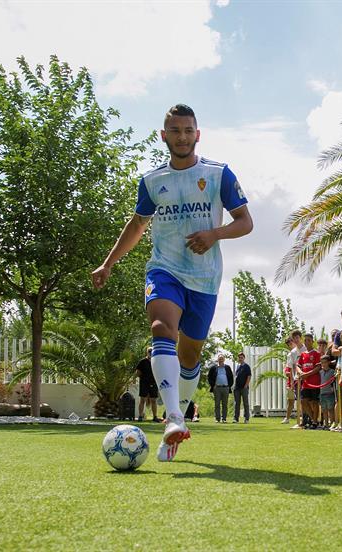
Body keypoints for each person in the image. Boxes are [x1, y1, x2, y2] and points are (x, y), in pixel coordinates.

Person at [91, 104, 253, 462]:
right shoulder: (152, 181)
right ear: (164, 136)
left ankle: (174, 424)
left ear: (198, 134)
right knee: (162, 327)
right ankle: (174, 419)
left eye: (188, 130)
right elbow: (136, 226)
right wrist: (108, 263)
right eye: (175, 131)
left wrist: (214, 233)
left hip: (204, 278)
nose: (182, 137)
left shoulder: (218, 174)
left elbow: (245, 222)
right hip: (163, 270)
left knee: (191, 354)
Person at [298, 333, 321, 428]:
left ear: (312, 341)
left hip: (315, 382)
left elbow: (318, 367)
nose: (307, 342)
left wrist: (307, 374)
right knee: (303, 401)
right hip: (305, 383)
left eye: (308, 340)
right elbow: (298, 366)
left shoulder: (316, 353)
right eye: (305, 340)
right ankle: (313, 419)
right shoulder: (303, 354)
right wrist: (301, 373)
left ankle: (315, 422)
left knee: (315, 402)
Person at [135, 347, 160, 422]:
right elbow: (138, 372)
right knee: (142, 399)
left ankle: (155, 417)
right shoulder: (142, 361)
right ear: (147, 352)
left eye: (152, 351)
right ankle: (140, 416)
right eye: (149, 351)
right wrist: (135, 378)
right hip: (144, 383)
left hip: (154, 382)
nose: (150, 353)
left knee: (154, 400)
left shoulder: (156, 361)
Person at [287, 329, 306, 429]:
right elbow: (290, 368)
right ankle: (300, 420)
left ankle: (309, 419)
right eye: (294, 338)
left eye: (297, 337)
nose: (296, 340)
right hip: (296, 379)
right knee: (299, 400)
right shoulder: (292, 352)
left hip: (306, 377)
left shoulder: (306, 349)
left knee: (307, 400)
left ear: (300, 338)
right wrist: (291, 382)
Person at [208, 354, 233, 423]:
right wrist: (213, 386)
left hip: (226, 388)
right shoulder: (214, 368)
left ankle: (224, 418)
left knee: (225, 404)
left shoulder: (227, 367)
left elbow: (231, 377)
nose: (221, 360)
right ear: (218, 360)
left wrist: (229, 386)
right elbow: (209, 377)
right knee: (217, 404)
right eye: (219, 358)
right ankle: (217, 418)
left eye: (222, 358)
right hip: (217, 388)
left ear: (224, 359)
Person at [233, 352, 251, 424]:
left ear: (244, 358)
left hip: (244, 388)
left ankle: (246, 418)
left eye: (241, 357)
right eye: (239, 357)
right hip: (237, 388)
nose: (240, 359)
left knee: (245, 403)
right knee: (237, 403)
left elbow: (249, 376)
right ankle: (236, 418)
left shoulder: (247, 366)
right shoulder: (238, 366)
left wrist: (246, 385)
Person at [318, 355, 336, 428]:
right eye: (322, 363)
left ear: (329, 362)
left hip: (330, 393)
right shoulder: (320, 372)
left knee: (330, 408)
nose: (324, 364)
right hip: (322, 393)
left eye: (325, 362)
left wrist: (332, 388)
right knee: (324, 409)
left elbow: (334, 381)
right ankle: (326, 424)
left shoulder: (332, 371)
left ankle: (332, 423)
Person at [281, 337, 296, 424]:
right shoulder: (290, 354)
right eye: (289, 344)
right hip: (291, 381)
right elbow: (288, 369)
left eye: (291, 342)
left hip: (297, 379)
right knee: (290, 401)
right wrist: (291, 382)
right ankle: (287, 418)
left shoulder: (297, 352)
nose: (291, 345)